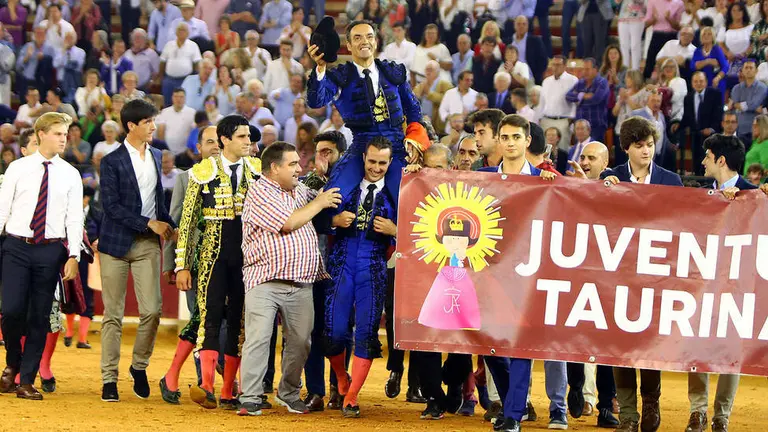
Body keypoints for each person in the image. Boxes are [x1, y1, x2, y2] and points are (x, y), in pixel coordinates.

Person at [237, 142, 342, 416]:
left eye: (299, 163)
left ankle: (288, 393)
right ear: (274, 168)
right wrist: (319, 202)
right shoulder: (260, 191)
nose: (299, 168)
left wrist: (320, 177)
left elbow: (315, 192)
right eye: (293, 164)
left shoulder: (297, 189)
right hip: (265, 280)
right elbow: (289, 223)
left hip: (301, 282)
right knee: (258, 338)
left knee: (301, 342)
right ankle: (250, 396)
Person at [173, 115, 260, 409]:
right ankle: (207, 385)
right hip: (212, 253)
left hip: (246, 255)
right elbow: (186, 222)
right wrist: (182, 264)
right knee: (209, 318)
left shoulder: (258, 171)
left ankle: (227, 391)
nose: (248, 142)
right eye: (243, 137)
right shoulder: (203, 171)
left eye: (249, 137)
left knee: (238, 321)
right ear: (225, 139)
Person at [601, 116, 682, 431]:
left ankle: (651, 402)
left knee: (649, 345)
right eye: (639, 146)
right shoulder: (612, 178)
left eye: (650, 145)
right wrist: (603, 190)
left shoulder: (671, 180)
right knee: (620, 346)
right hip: (619, 276)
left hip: (656, 277)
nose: (646, 150)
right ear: (626, 148)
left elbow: (687, 224)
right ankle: (628, 416)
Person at [477, 114, 555, 431]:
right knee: (488, 343)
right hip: (489, 274)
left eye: (516, 137)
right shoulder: (479, 177)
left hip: (528, 275)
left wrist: (608, 183)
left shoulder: (547, 179)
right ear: (498, 140)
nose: (510, 143)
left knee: (522, 345)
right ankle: (515, 403)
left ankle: (511, 416)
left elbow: (578, 207)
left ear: (527, 141)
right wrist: (416, 171)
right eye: (505, 137)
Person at [98, 99, 176, 403]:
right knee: (113, 315)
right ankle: (109, 378)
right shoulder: (111, 160)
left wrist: (169, 223)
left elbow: (157, 199)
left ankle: (139, 366)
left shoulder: (157, 155)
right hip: (116, 244)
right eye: (148, 122)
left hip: (145, 244)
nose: (153, 127)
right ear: (132, 126)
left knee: (153, 310)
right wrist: (149, 224)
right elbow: (111, 207)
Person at [0, 112, 83, 400]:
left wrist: (74, 255)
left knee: (39, 316)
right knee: (10, 310)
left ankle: (26, 379)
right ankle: (13, 361)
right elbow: (2, 208)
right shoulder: (18, 168)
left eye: (65, 134)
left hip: (50, 249)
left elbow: (75, 218)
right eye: (59, 134)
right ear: (40, 135)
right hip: (16, 245)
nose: (64, 138)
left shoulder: (71, 174)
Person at [307, 19, 426, 214]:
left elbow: (413, 109)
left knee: (409, 204)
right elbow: (316, 101)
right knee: (332, 198)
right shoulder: (340, 76)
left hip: (396, 147)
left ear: (376, 42)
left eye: (369, 36)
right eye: (358, 37)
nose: (365, 41)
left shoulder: (393, 71)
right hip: (361, 146)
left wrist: (414, 139)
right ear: (349, 45)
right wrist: (320, 68)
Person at [321, 137, 398, 418]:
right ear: (364, 158)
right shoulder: (346, 185)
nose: (376, 168)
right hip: (341, 263)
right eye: (372, 161)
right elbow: (318, 218)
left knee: (366, 332)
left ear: (390, 163)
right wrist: (333, 221)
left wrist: (394, 229)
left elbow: (419, 231)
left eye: (382, 163)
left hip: (374, 267)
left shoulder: (397, 194)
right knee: (334, 331)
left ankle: (352, 397)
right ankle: (342, 376)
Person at [159, 125, 220, 404]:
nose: (215, 146)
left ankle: (209, 379)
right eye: (209, 142)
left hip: (230, 261)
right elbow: (175, 222)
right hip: (196, 261)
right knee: (201, 319)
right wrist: (174, 263)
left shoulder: (239, 175)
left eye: (219, 141)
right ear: (199, 148)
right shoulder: (187, 178)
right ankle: (202, 381)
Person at [681, 71, 724, 175]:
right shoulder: (688, 97)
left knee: (710, 160)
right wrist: (677, 126)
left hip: (712, 136)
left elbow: (718, 114)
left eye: (701, 81)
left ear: (706, 82)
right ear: (691, 83)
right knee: (697, 162)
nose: (698, 84)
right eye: (695, 81)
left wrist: (711, 129)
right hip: (695, 136)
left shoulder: (715, 94)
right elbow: (687, 117)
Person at [565, 58, 610, 144]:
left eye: (587, 69)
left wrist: (578, 98)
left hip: (596, 125)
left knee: (594, 152)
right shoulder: (581, 83)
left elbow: (596, 99)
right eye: (583, 69)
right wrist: (582, 95)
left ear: (595, 69)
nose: (585, 72)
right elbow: (568, 96)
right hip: (580, 125)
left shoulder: (602, 82)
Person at [540, 56, 578, 152]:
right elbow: (542, 102)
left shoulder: (572, 80)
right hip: (546, 120)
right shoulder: (546, 81)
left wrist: (571, 118)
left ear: (565, 66)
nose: (555, 67)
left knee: (563, 150)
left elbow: (576, 101)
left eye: (558, 65)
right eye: (553, 65)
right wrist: (539, 118)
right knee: (546, 151)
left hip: (563, 120)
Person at [728, 58, 768, 145]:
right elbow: (737, 105)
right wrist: (751, 107)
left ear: (756, 70)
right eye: (746, 68)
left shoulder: (762, 88)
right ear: (742, 70)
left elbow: (754, 104)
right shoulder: (736, 88)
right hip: (740, 129)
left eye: (751, 68)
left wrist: (740, 106)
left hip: (756, 130)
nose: (748, 70)